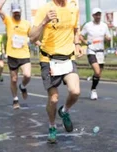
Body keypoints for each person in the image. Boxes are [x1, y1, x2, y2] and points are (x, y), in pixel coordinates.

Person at [30, 0, 82, 143]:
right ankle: (52, 126)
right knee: (54, 99)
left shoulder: (73, 7)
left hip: (68, 58)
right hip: (49, 60)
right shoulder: (45, 9)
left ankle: (64, 111)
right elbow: (32, 37)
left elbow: (76, 29)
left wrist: (77, 44)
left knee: (75, 91)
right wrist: (44, 21)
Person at [0, 0, 32, 109]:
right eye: (15, 12)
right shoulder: (8, 20)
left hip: (24, 53)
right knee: (14, 79)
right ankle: (15, 99)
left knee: (27, 75)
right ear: (12, 12)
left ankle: (23, 86)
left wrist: (40, 42)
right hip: (12, 54)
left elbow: (31, 36)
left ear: (20, 11)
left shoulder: (26, 23)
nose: (17, 13)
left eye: (18, 11)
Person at [80, 7, 111, 100]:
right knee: (97, 71)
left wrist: (108, 38)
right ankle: (93, 90)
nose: (98, 16)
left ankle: (93, 80)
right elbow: (80, 35)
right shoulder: (88, 25)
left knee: (98, 74)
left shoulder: (104, 26)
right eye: (96, 15)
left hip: (100, 51)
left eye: (99, 14)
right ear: (93, 16)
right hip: (91, 50)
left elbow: (108, 36)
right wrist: (84, 41)